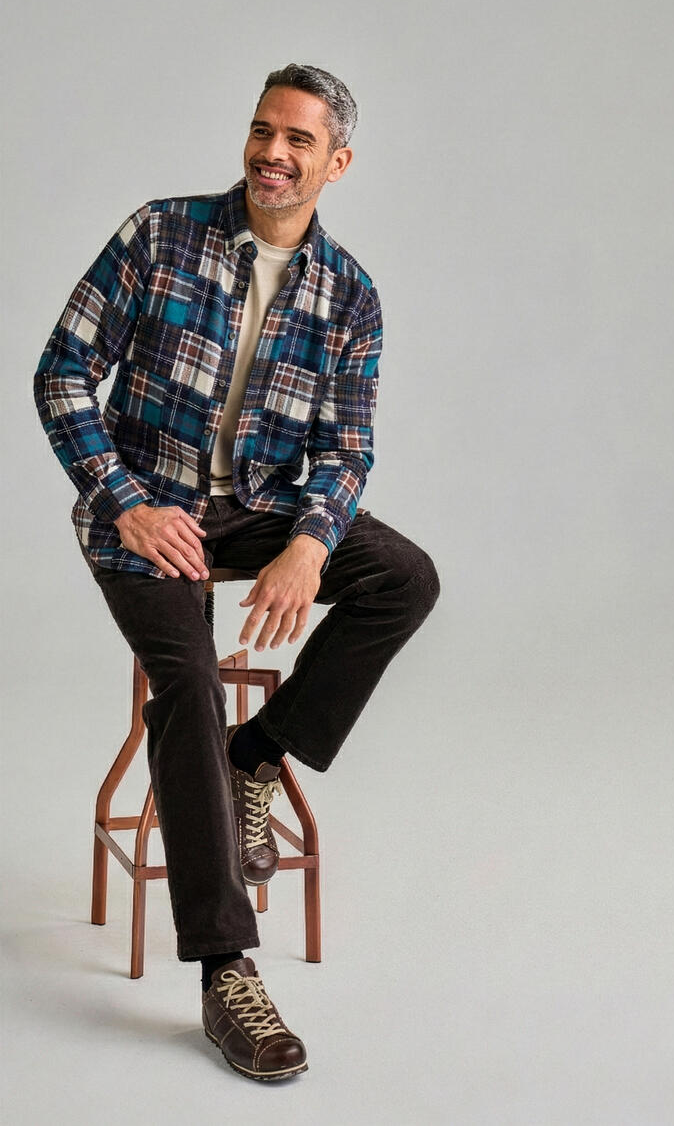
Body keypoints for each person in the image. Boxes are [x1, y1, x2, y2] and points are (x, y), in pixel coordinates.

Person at [34, 63, 439, 1083]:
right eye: (264, 130)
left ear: (335, 163)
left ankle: (253, 755)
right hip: (143, 509)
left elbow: (346, 449)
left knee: (404, 574)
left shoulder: (349, 295)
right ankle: (225, 965)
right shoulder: (159, 234)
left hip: (253, 510)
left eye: (299, 140)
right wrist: (125, 500)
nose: (273, 152)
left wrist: (308, 540)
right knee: (187, 676)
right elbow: (63, 371)